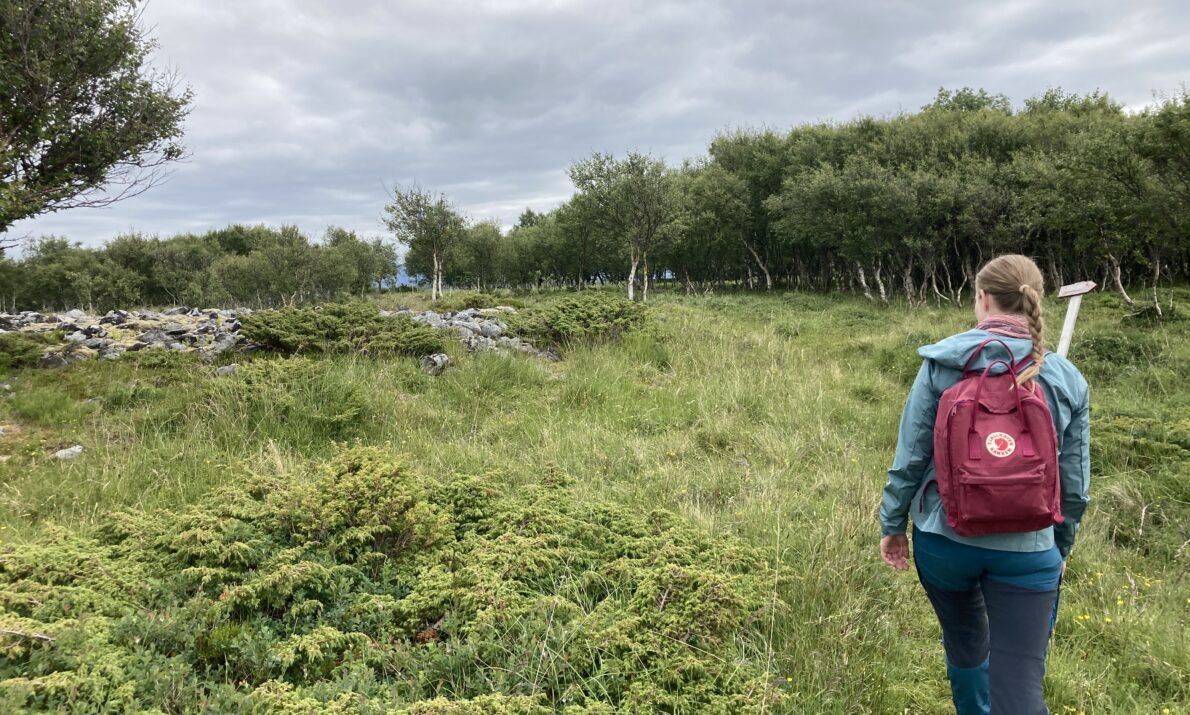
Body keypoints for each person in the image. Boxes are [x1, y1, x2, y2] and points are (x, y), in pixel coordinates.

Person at [879, 254, 1091, 715]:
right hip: (1030, 551)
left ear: (982, 298)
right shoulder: (1065, 378)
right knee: (1019, 687)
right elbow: (1074, 485)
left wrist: (893, 523)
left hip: (944, 541)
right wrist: (1060, 546)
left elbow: (910, 458)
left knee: (966, 649)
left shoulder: (939, 363)